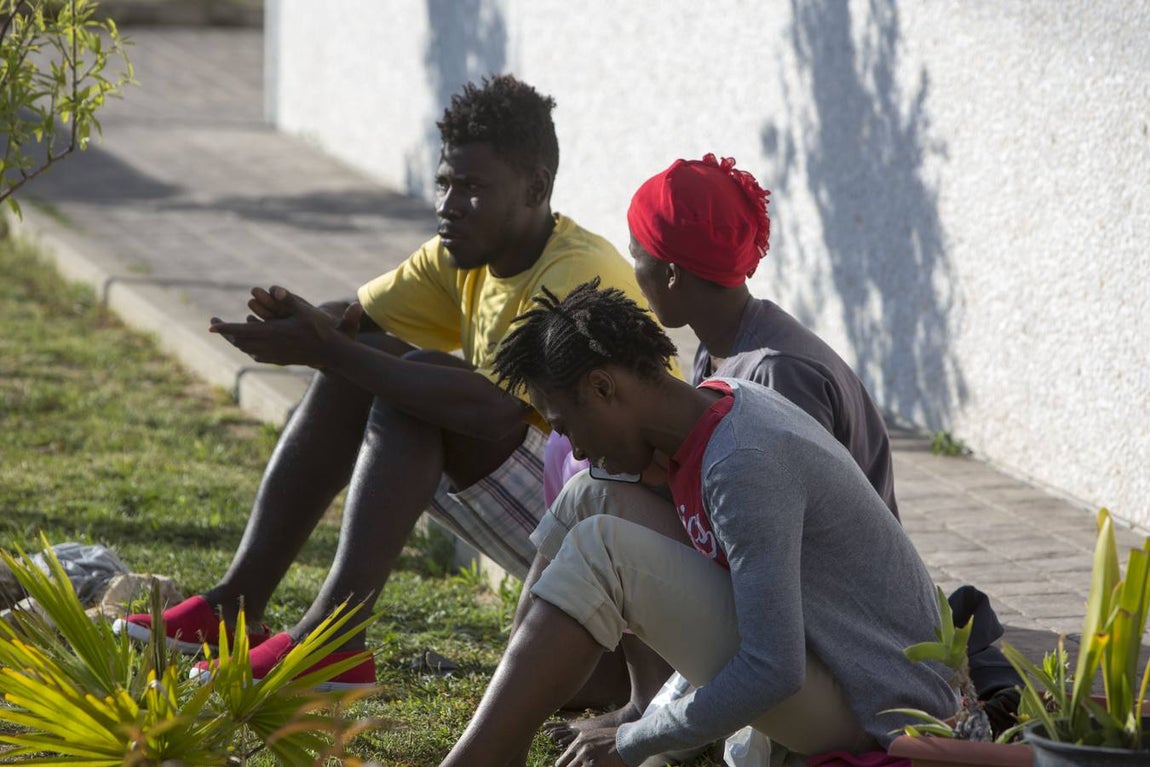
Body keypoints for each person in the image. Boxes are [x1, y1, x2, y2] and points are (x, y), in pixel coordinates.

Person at [112, 75, 652, 689]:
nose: (447, 204)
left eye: (471, 188)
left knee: (415, 381)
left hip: (627, 562)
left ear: (535, 187)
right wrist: (303, 326)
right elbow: (355, 324)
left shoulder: (575, 272)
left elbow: (491, 414)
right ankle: (237, 603)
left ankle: (332, 636)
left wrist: (332, 349)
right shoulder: (467, 254)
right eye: (444, 181)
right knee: (371, 361)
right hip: (557, 523)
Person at [438, 280, 955, 767]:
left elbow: (772, 669)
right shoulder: (715, 402)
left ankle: (480, 757)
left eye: (567, 425)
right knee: (589, 495)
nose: (574, 447)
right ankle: (500, 729)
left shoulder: (741, 462)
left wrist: (630, 744)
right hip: (823, 664)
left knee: (605, 549)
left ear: (602, 388)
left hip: (871, 710)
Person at [528, 153, 902, 749]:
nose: (633, 269)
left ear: (672, 274)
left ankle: (646, 713)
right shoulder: (718, 354)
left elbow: (779, 561)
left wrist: (653, 735)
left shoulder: (779, 374)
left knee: (611, 542)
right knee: (594, 494)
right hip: (786, 601)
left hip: (833, 644)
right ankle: (533, 682)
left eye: (637, 256)